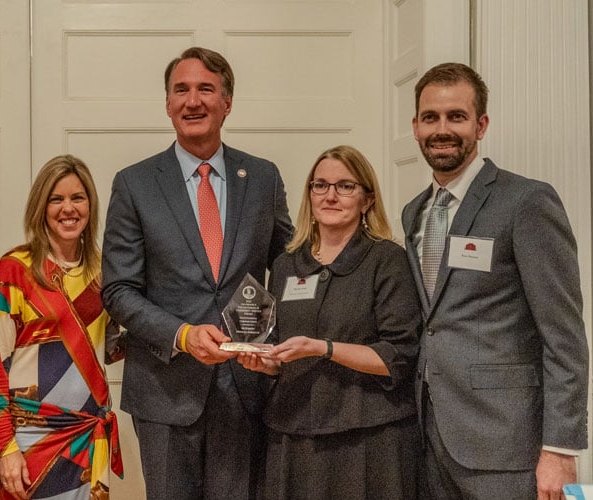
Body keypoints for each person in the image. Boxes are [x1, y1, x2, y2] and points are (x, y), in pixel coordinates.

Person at [101, 46, 294, 499]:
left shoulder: (263, 177)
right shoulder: (135, 183)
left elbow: (288, 268)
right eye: (180, 90)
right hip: (164, 393)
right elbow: (119, 289)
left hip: (246, 388)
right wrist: (183, 335)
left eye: (206, 89)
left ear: (227, 102)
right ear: (167, 104)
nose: (193, 101)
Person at [402, 62, 589, 499]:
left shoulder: (525, 201)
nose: (441, 129)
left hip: (507, 445)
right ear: (415, 127)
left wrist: (560, 448)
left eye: (456, 116)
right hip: (430, 440)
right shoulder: (414, 212)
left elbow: (564, 336)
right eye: (430, 117)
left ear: (481, 124)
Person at [238, 145, 421, 499]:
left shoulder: (387, 260)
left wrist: (324, 348)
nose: (331, 196)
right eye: (320, 185)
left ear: (367, 199)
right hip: (293, 437)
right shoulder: (285, 265)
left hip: (368, 440)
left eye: (345, 186)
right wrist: (265, 364)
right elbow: (278, 352)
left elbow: (397, 356)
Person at [0, 155, 123, 500]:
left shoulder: (105, 273)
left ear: (90, 205)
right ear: (40, 208)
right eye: (56, 199)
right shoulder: (15, 269)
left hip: (89, 436)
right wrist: (5, 447)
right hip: (32, 438)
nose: (68, 208)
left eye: (78, 198)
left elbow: (111, 347)